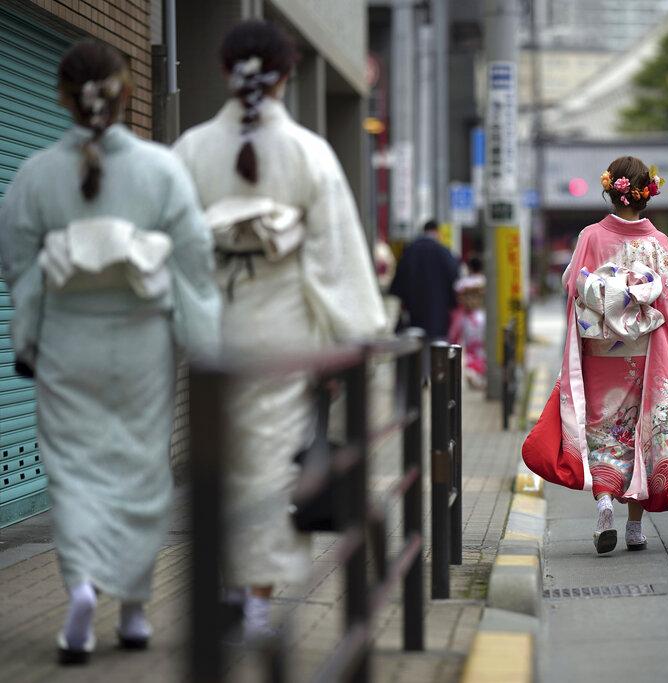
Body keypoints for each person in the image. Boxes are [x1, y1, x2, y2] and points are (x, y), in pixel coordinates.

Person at [0, 41, 220, 663]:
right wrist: (203, 344)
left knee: (72, 469)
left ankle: (80, 589)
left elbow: (16, 260)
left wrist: (29, 330)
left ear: (64, 99)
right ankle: (131, 609)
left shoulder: (38, 173)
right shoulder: (160, 169)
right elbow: (193, 261)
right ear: (126, 95)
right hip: (141, 338)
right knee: (139, 468)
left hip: (68, 339)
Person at [173, 20, 386, 640]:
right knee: (271, 466)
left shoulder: (190, 151)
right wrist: (348, 342)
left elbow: (179, 253)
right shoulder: (308, 154)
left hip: (216, 331)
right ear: (286, 76)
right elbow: (333, 260)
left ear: (224, 72)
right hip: (284, 333)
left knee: (220, 462)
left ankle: (227, 586)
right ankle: (257, 602)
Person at [522, 156, 668, 554]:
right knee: (639, 429)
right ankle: (635, 526)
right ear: (647, 193)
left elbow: (572, 285)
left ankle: (602, 502)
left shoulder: (591, 236)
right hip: (644, 351)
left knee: (603, 427)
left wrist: (606, 299)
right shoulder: (657, 242)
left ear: (610, 190)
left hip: (600, 350)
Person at [390, 219, 459, 339]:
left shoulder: (409, 251)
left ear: (424, 231)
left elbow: (398, 282)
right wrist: (451, 303)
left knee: (416, 342)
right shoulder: (444, 252)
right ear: (437, 232)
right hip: (438, 312)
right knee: (437, 347)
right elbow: (454, 278)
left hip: (414, 311)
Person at [448, 256, 487, 388]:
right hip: (482, 316)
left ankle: (472, 371)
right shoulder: (485, 281)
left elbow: (456, 296)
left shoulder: (462, 283)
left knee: (470, 348)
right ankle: (479, 374)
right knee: (481, 347)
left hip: (467, 318)